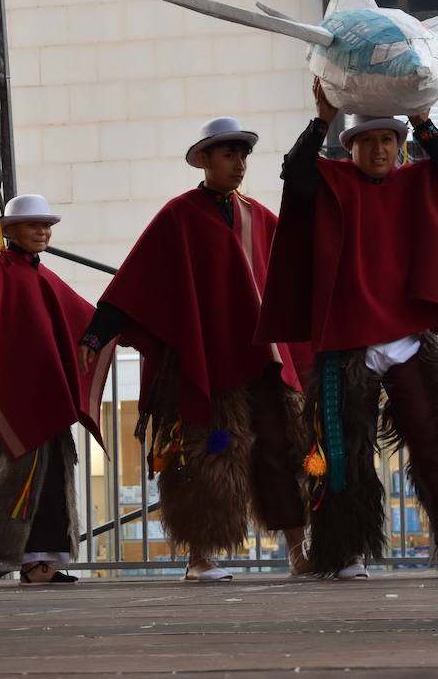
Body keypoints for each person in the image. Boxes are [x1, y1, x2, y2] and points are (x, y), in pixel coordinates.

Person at [256, 80, 438, 579]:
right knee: (344, 451)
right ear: (351, 148)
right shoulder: (330, 182)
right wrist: (321, 118)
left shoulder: (419, 179)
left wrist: (425, 119)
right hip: (348, 341)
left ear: (401, 146)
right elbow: (294, 175)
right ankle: (345, 552)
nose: (380, 149)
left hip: (408, 337)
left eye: (389, 140)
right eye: (368, 141)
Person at [77, 118, 310, 581]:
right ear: (203, 160)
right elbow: (136, 282)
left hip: (261, 358)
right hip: (204, 359)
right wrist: (97, 333)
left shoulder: (259, 217)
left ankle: (298, 550)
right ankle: (199, 557)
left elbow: (298, 272)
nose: (239, 164)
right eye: (228, 155)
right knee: (205, 457)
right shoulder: (178, 216)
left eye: (243, 156)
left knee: (280, 449)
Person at [0, 194, 112, 585]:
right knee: (11, 472)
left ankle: (37, 563)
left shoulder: (42, 276)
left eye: (46, 225)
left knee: (50, 475)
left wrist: (110, 331)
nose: (42, 231)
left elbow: (83, 317)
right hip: (9, 394)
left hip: (42, 392)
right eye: (33, 225)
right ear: (8, 230)